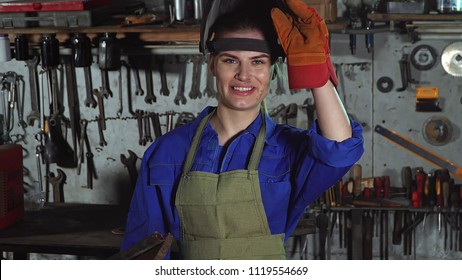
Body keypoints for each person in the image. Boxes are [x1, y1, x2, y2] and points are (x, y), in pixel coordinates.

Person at [121, 0, 364, 259]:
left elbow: (340, 149)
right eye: (231, 60)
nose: (244, 75)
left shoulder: (289, 150)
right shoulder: (168, 151)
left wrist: (317, 73)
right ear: (213, 64)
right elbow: (145, 248)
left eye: (258, 62)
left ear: (272, 70)